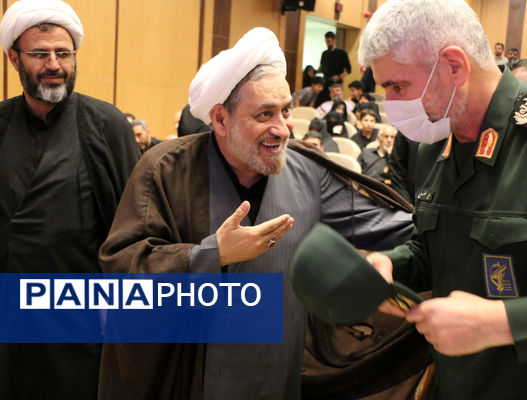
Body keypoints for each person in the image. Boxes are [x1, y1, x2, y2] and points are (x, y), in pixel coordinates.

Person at [97, 27, 415, 400]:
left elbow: (394, 228)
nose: (282, 129)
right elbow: (123, 270)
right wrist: (212, 254)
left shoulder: (308, 172)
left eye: (285, 111)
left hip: (277, 375)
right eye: (265, 114)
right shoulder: (165, 170)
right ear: (220, 119)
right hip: (193, 377)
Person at [358, 0, 527, 398]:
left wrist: (502, 323)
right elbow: (436, 252)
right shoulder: (435, 142)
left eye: (397, 86)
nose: (392, 104)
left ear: (454, 66)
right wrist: (391, 266)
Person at [0, 0, 140, 399]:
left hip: (80, 323)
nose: (54, 65)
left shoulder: (107, 126)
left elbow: (136, 228)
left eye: (63, 53)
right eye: (40, 54)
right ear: (14, 58)